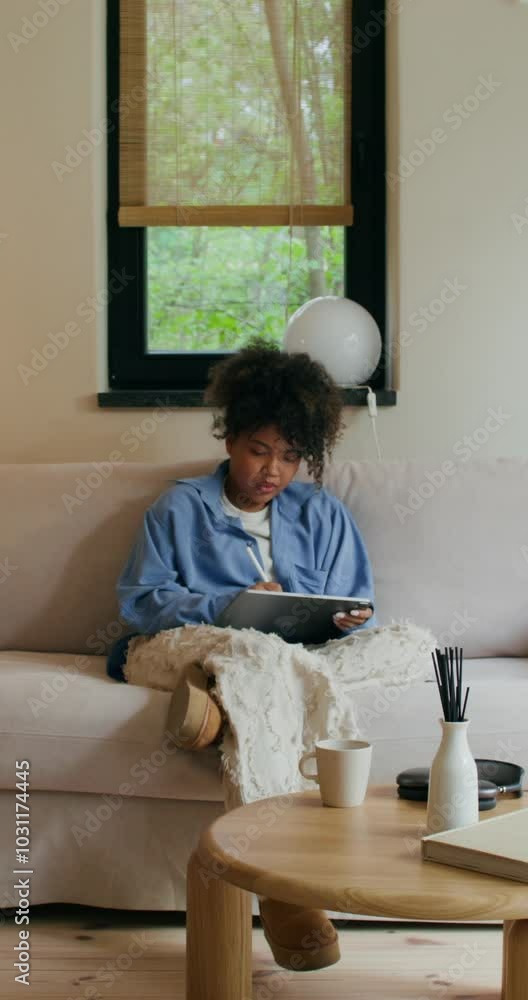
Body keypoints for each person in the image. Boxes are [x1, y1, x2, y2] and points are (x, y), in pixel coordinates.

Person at [107, 338, 376, 971]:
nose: (272, 470)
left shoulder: (323, 513)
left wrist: (344, 618)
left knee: (400, 647)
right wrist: (229, 604)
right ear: (230, 439)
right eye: (259, 450)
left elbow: (358, 601)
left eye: (289, 456)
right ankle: (287, 896)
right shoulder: (178, 507)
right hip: (203, 640)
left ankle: (211, 704)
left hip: (290, 653)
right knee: (251, 654)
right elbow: (140, 602)